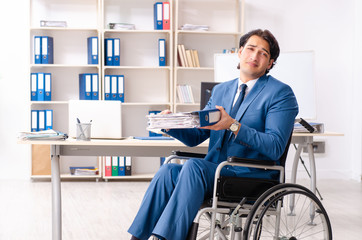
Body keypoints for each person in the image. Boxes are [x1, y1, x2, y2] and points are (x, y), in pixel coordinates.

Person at [128, 29, 299, 240]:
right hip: (215, 172)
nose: (254, 56)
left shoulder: (280, 93)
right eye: (251, 49)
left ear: (270, 63)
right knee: (168, 170)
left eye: (263, 53)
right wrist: (171, 124)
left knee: (192, 167)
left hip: (251, 175)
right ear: (239, 53)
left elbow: (274, 146)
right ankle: (138, 238)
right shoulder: (221, 91)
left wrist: (233, 126)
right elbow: (197, 136)